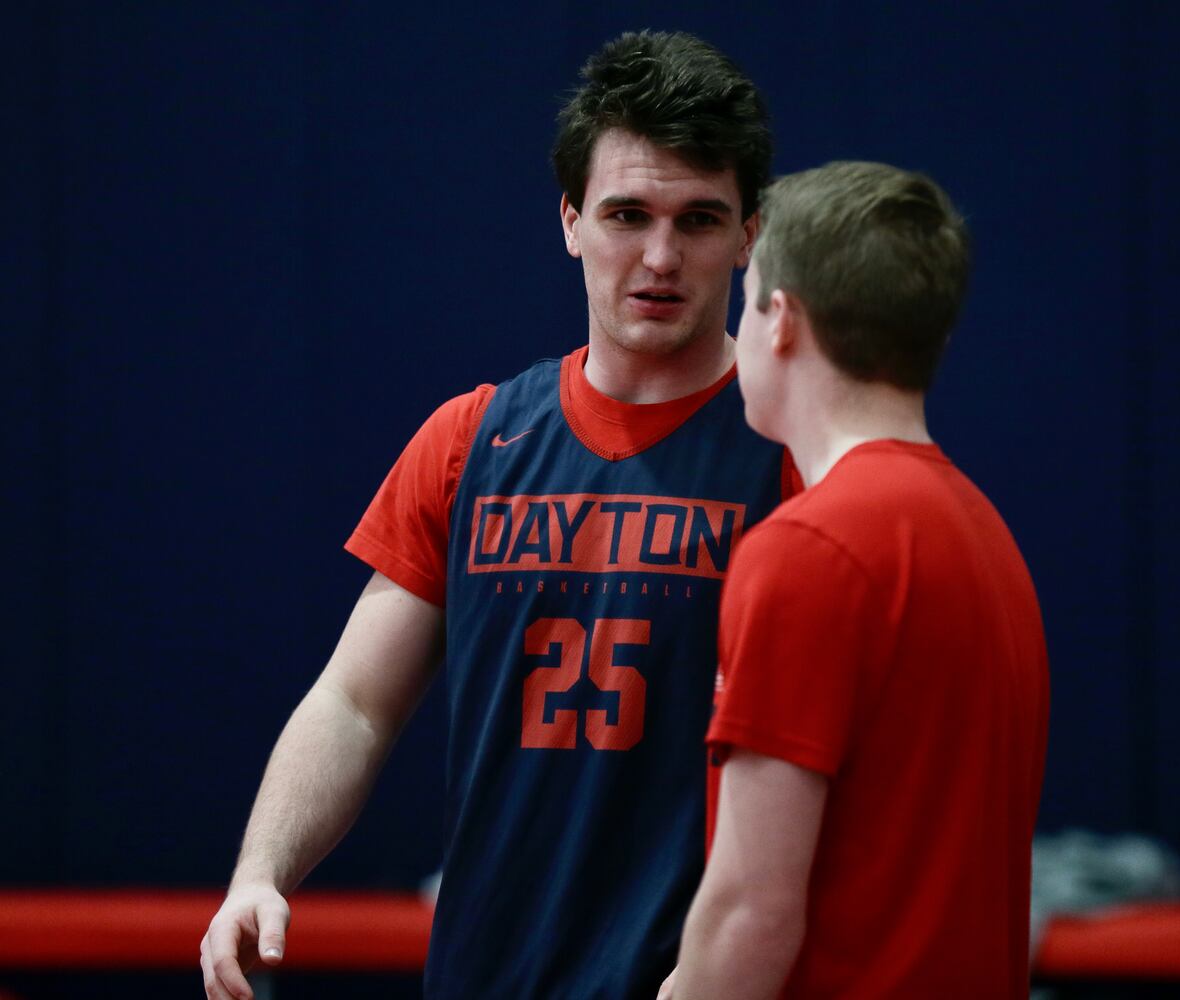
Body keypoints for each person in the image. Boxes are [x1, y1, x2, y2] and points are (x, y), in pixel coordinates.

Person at [200, 31, 797, 1000]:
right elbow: (354, 703)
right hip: (485, 971)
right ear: (568, 220)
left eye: (696, 219)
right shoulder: (472, 438)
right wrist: (260, 870)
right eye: (624, 213)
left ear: (747, 235)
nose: (657, 255)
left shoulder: (795, 458)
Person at [668, 162, 1050, 999]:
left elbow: (748, 914)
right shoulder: (985, 536)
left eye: (747, 299)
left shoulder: (806, 549)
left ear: (781, 322)